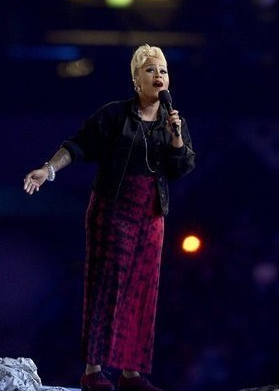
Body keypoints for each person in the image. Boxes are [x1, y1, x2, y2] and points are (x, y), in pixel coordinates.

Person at [23, 44, 196, 391]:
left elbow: (182, 168)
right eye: (150, 70)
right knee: (108, 287)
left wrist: (176, 136)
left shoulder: (172, 121)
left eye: (163, 70)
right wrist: (47, 170)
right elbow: (78, 145)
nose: (158, 76)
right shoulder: (115, 115)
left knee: (142, 291)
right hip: (114, 209)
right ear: (136, 80)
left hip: (152, 214)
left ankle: (132, 373)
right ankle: (93, 370)